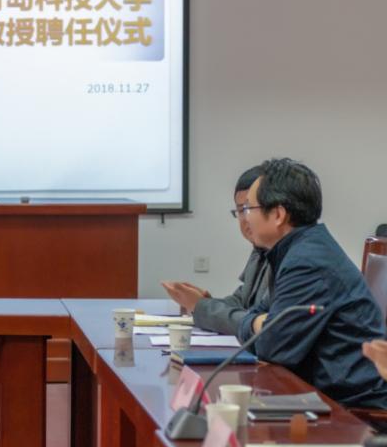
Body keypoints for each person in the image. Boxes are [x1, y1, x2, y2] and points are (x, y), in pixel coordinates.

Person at [237, 158, 387, 408]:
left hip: (354, 408)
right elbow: (257, 313)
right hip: (322, 394)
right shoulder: (296, 249)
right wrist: (257, 321)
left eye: (248, 208)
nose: (244, 218)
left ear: (278, 214)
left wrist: (256, 323)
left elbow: (270, 347)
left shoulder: (307, 261)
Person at [161, 165, 271, 335]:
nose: (246, 219)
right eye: (240, 210)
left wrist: (201, 307)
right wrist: (205, 303)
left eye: (250, 209)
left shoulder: (291, 257)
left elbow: (259, 321)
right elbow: (242, 302)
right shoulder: (260, 249)